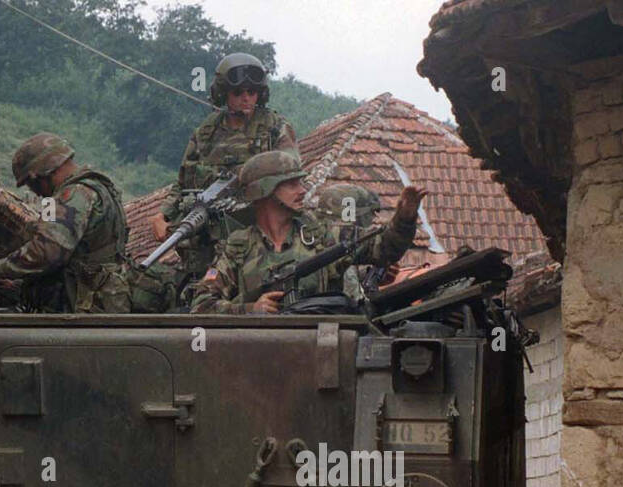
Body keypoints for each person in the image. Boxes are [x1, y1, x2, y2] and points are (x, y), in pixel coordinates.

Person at [189, 151, 424, 315]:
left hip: (320, 354)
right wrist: (250, 309)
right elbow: (201, 305)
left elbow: (384, 248)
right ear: (266, 190)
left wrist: (404, 218)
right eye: (291, 184)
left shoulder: (323, 236)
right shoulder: (238, 247)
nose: (302, 191)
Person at [150, 54, 298, 280]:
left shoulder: (274, 129)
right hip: (207, 239)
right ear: (223, 94)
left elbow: (291, 179)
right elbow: (183, 184)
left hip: (257, 236)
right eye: (238, 93)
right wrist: (163, 215)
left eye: (252, 92)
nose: (246, 98)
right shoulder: (206, 132)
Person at [0, 133, 128, 313]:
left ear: (40, 174)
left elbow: (47, 251)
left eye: (31, 184)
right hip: (90, 300)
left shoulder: (74, 195)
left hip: (85, 306)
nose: (36, 193)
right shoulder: (62, 197)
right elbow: (40, 238)